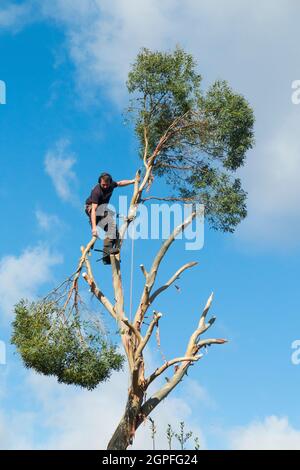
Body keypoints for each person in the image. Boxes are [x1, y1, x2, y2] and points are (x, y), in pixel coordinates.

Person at [85, 172, 135, 264]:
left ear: (110, 183)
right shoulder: (96, 191)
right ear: (100, 182)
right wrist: (94, 228)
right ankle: (106, 253)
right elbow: (93, 210)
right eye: (103, 184)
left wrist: (132, 181)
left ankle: (108, 258)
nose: (105, 186)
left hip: (103, 209)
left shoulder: (111, 185)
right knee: (110, 224)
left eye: (106, 185)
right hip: (92, 209)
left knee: (115, 233)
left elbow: (120, 183)